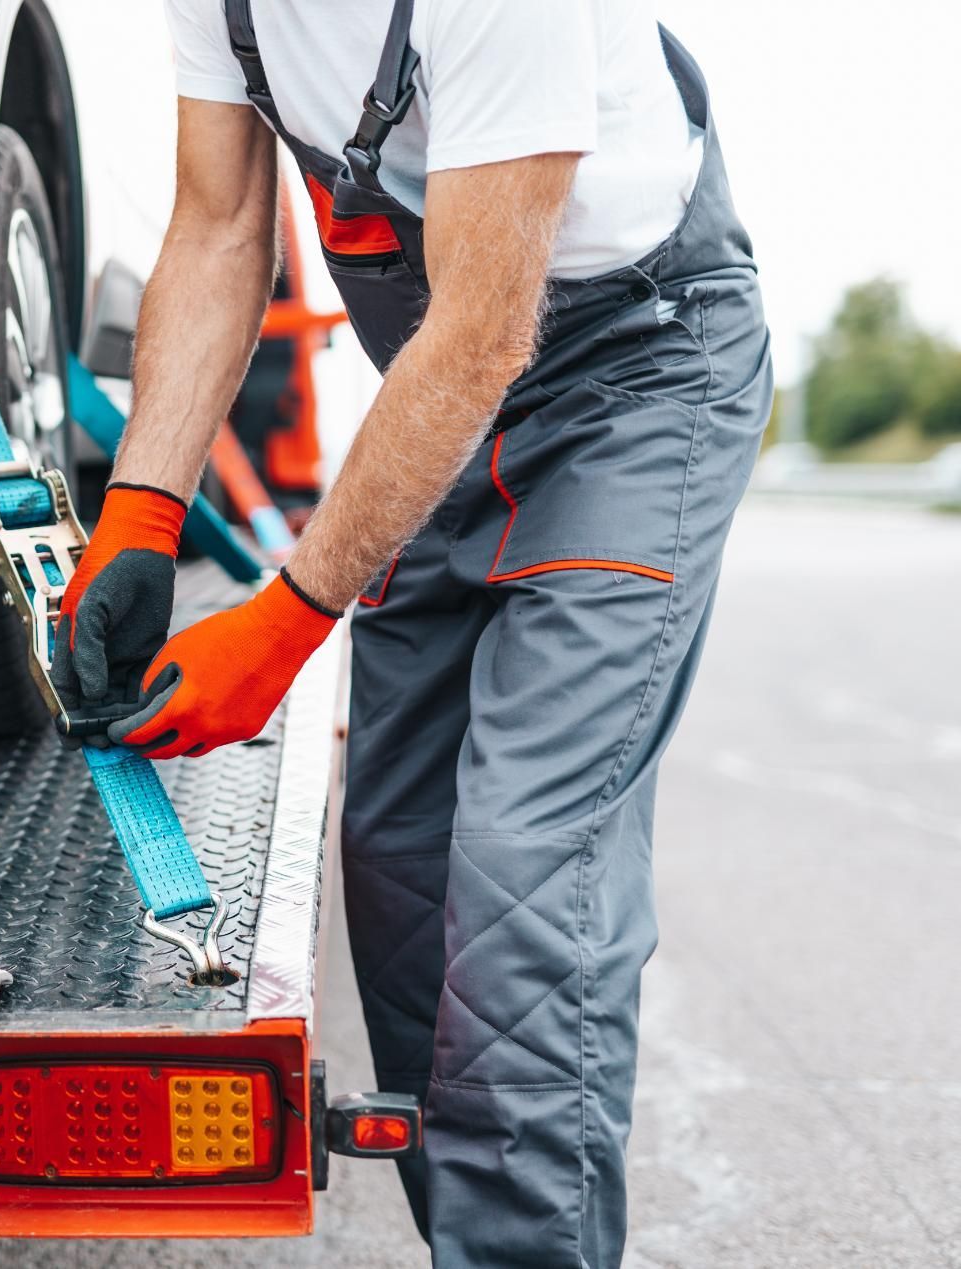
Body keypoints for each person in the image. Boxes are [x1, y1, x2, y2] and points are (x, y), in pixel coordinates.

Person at [50, 1, 773, 1264]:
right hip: (448, 394)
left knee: (519, 888)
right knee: (405, 877)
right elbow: (219, 229)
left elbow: (489, 326)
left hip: (633, 379)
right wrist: (141, 514)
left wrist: (282, 625)